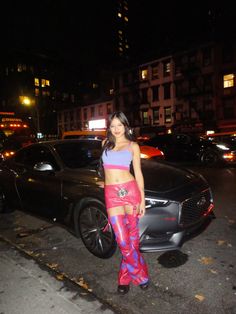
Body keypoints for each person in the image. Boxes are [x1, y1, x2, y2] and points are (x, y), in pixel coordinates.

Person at [101, 111, 149, 295]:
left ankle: (124, 278)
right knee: (122, 239)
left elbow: (138, 173)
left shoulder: (133, 146)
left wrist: (142, 200)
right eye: (112, 126)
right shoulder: (104, 144)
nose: (116, 129)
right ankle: (140, 275)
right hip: (112, 194)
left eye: (119, 125)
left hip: (130, 191)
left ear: (125, 126)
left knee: (132, 239)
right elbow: (105, 171)